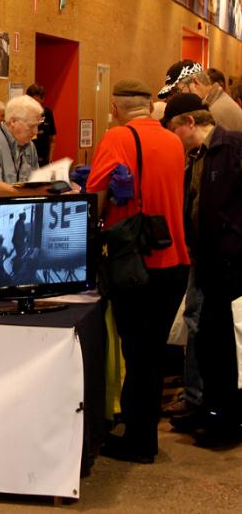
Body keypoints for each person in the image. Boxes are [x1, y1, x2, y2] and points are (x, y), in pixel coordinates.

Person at [87, 79, 189, 464]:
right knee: (152, 353)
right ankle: (139, 428)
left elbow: (97, 194)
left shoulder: (117, 138)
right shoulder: (173, 140)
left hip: (138, 263)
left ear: (115, 107)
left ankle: (140, 440)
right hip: (174, 261)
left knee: (137, 351)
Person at [162, 93, 242, 446]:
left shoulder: (231, 148)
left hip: (230, 266)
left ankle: (224, 423)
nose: (173, 138)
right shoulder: (197, 156)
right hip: (208, 263)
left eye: (174, 129)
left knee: (224, 348)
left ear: (190, 123)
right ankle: (208, 409)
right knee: (208, 343)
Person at [157, 60, 242, 132]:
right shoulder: (216, 103)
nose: (175, 99)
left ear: (196, 82)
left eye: (177, 91)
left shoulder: (214, 113)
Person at [26, 84, 57, 166]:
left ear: (42, 99)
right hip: (27, 161)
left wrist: (50, 160)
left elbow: (53, 139)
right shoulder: (23, 114)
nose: (33, 103)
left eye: (36, 100)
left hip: (44, 160)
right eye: (31, 100)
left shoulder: (47, 113)